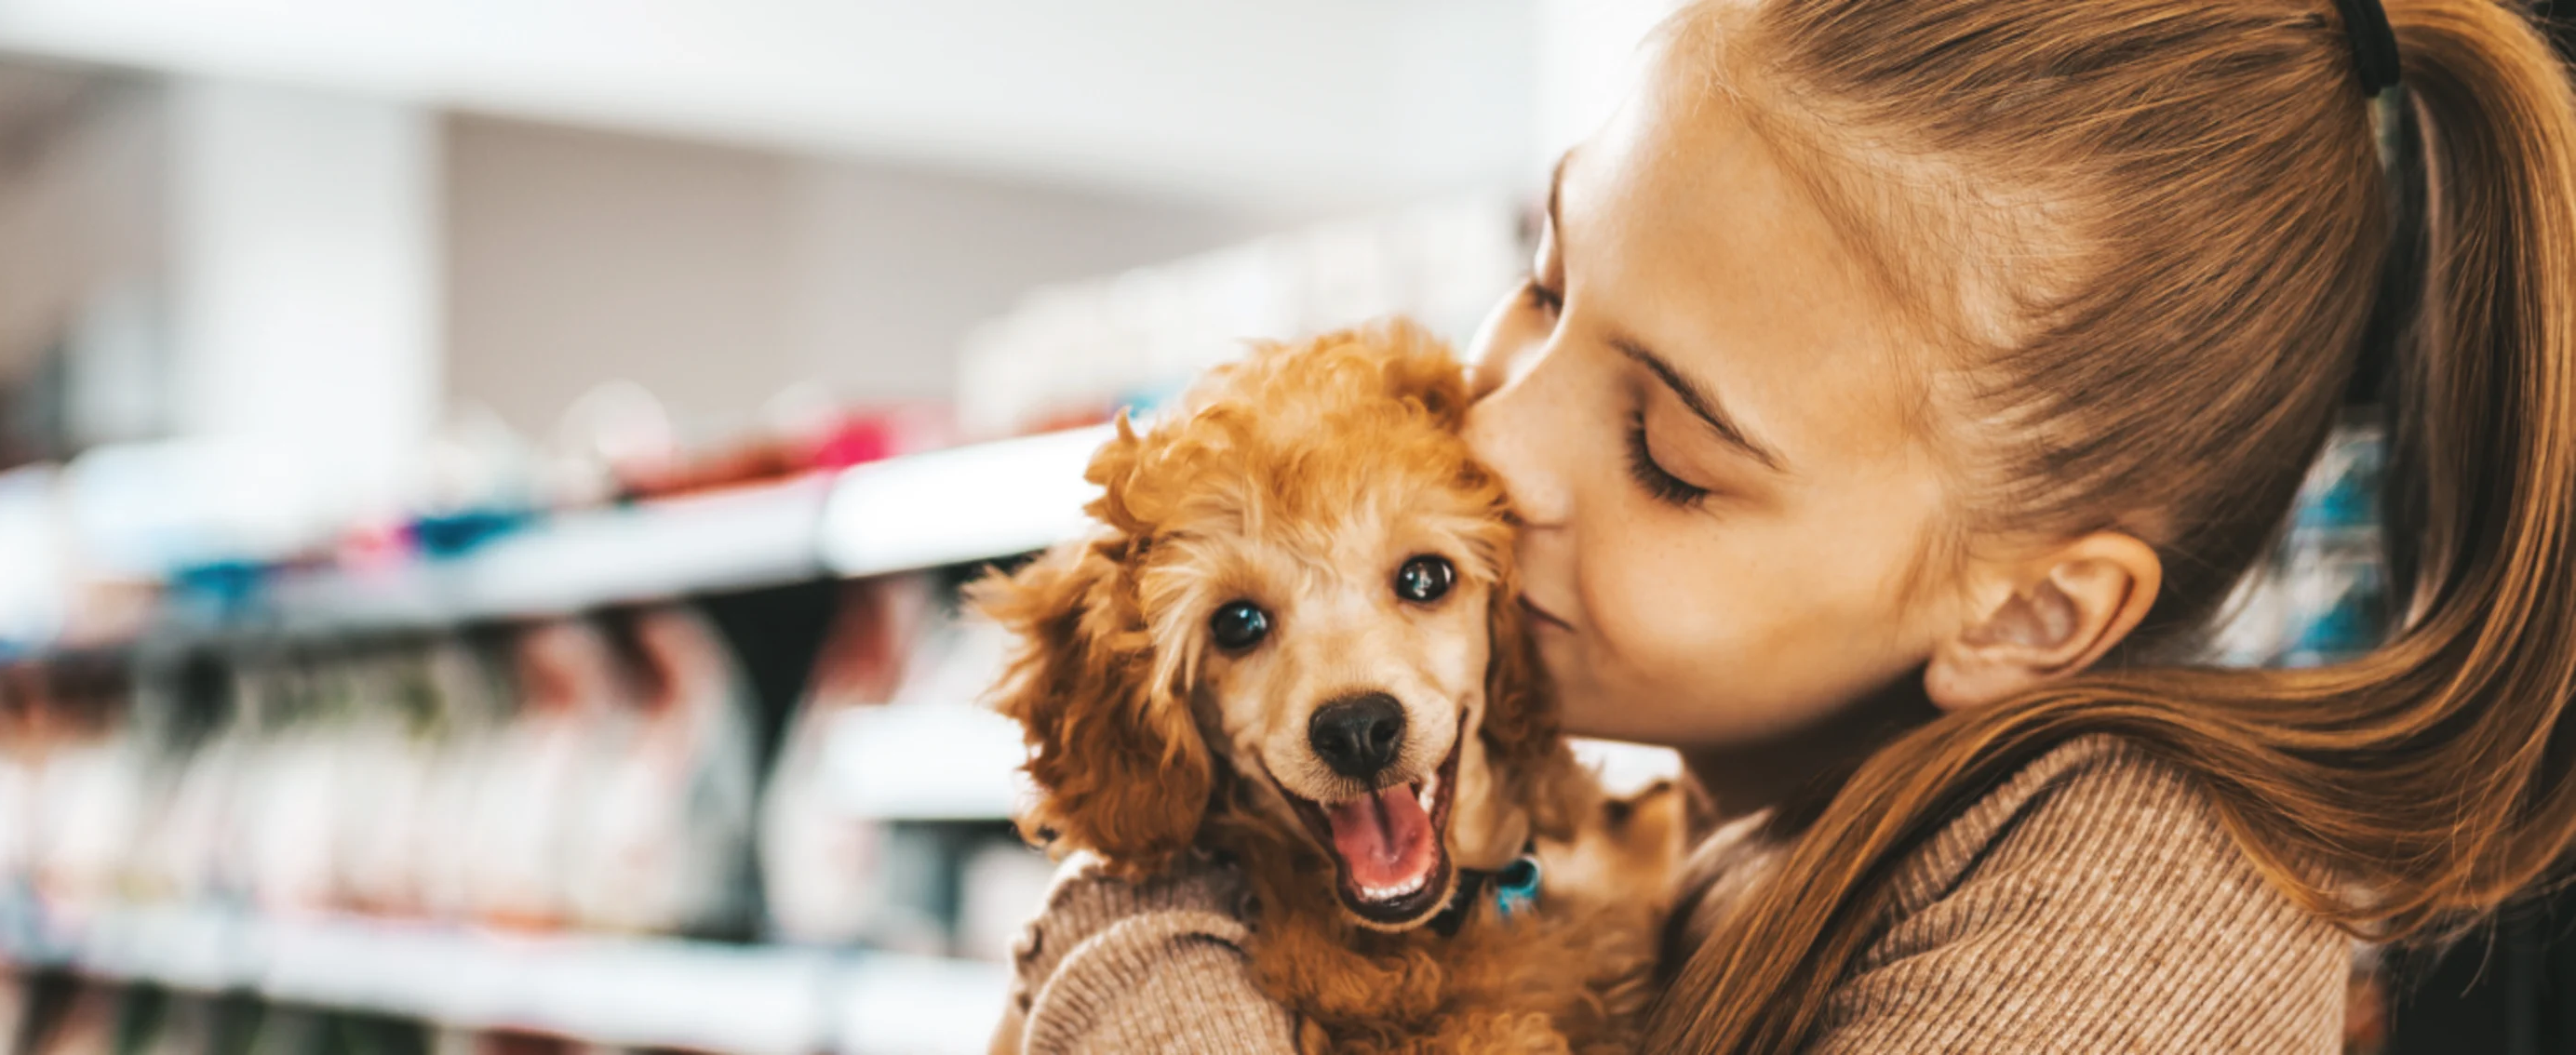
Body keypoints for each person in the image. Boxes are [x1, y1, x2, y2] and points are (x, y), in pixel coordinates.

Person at [1004, 0, 2576, 1050]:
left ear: (2024, 615)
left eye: (1669, 454)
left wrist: (1142, 918)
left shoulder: (2137, 881)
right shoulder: (1679, 828)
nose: (1495, 437)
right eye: (1545, 279)